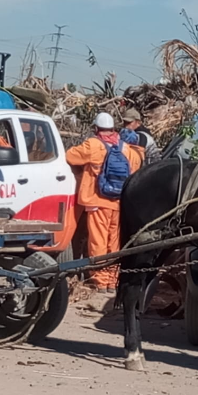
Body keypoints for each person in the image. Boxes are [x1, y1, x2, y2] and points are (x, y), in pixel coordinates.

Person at [66, 113, 143, 293]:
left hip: (97, 201)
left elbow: (70, 156)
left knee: (98, 241)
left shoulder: (93, 145)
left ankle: (100, 281)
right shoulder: (126, 148)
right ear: (113, 128)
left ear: (96, 128)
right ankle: (112, 279)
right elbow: (136, 167)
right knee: (114, 243)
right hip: (119, 202)